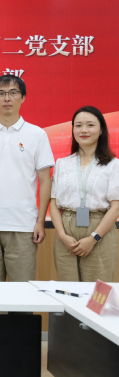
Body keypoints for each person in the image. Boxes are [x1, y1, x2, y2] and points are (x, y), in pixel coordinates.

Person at [0, 74, 55, 284]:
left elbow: (45, 181)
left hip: (23, 225)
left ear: (23, 97)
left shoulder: (37, 135)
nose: (7, 98)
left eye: (13, 92)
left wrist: (40, 221)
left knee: (22, 293)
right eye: (1, 93)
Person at [50, 106, 119, 281]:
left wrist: (94, 238)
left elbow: (116, 207)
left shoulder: (113, 165)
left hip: (99, 229)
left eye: (90, 125)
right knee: (67, 289)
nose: (84, 130)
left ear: (101, 130)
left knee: (96, 291)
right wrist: (62, 235)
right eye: (78, 125)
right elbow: (54, 203)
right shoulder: (62, 164)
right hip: (66, 230)